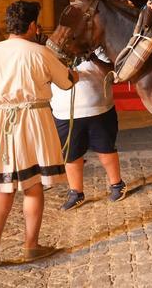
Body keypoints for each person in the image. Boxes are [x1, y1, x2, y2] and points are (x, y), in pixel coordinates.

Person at [0, 1, 78, 268]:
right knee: (32, 185)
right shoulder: (40, 52)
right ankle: (31, 246)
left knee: (2, 188)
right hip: (32, 122)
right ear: (31, 26)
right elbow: (66, 81)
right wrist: (73, 73)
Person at [50, 47, 127, 211]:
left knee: (106, 150)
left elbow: (113, 74)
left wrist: (92, 57)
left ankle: (117, 184)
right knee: (71, 155)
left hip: (100, 110)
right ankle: (76, 193)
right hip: (65, 113)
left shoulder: (99, 50)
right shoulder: (51, 51)